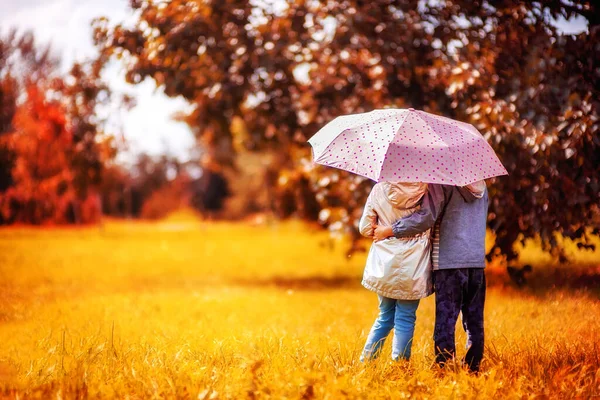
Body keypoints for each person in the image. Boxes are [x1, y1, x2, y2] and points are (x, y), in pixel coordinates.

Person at [373, 181, 488, 372]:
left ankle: (444, 367)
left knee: (446, 319)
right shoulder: (482, 186)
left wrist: (391, 230)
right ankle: (473, 366)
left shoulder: (443, 183)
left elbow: (425, 217)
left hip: (449, 262)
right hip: (476, 262)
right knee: (474, 319)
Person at [358, 181, 433, 362]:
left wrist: (383, 228)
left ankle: (367, 360)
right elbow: (428, 220)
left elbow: (365, 228)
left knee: (385, 315)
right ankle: (400, 364)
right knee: (406, 317)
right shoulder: (426, 191)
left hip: (385, 262)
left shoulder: (379, 189)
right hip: (414, 263)